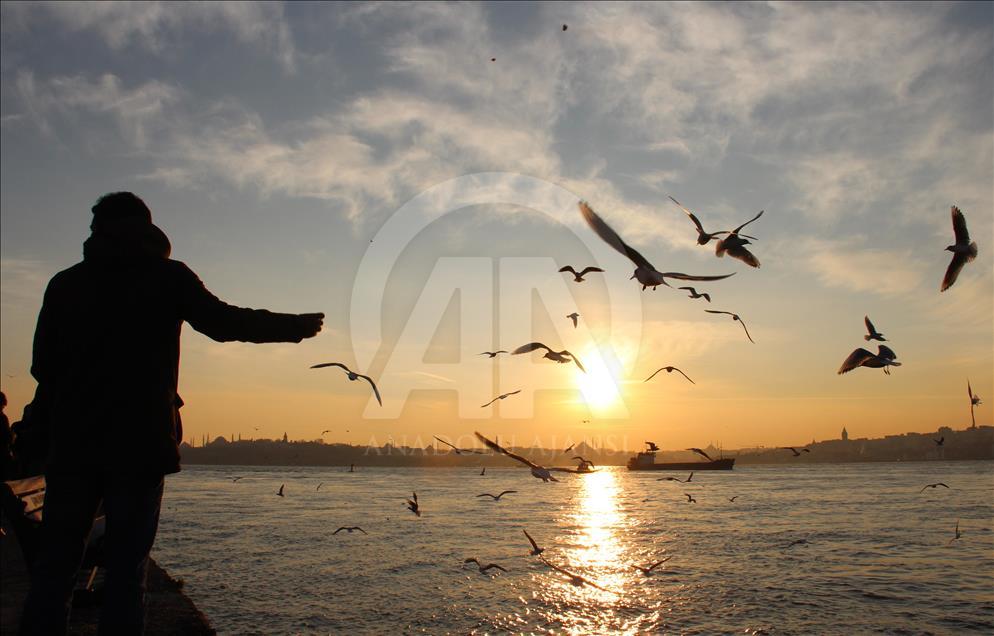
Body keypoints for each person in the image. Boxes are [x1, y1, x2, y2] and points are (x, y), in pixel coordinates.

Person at [20, 192, 324, 635]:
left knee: (56, 569)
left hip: (73, 442)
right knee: (126, 570)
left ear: (98, 231)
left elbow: (41, 366)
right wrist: (292, 327)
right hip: (139, 441)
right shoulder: (166, 278)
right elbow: (223, 322)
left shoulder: (66, 283)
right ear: (146, 229)